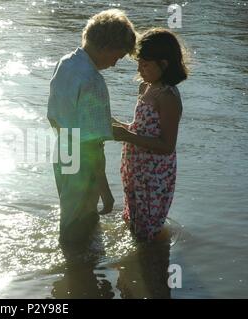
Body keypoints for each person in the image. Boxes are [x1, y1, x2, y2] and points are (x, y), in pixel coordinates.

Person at [47, 9, 137, 243]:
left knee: (70, 211)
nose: (115, 64)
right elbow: (92, 143)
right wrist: (105, 191)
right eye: (117, 57)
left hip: (62, 150)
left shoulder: (66, 63)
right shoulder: (93, 81)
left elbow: (62, 117)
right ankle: (76, 268)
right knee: (79, 222)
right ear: (106, 47)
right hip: (82, 161)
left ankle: (76, 267)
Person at [112, 28, 189, 241]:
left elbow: (166, 145)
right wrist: (120, 126)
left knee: (147, 233)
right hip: (135, 170)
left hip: (154, 175)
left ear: (164, 64)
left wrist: (127, 136)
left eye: (145, 64)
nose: (139, 69)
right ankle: (136, 269)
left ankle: (153, 266)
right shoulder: (146, 87)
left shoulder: (168, 96)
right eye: (138, 62)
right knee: (133, 224)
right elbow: (142, 128)